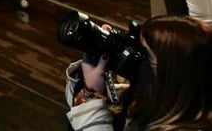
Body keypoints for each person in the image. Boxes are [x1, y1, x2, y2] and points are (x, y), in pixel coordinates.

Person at [64, 15, 212, 130]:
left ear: (172, 73)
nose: (135, 55)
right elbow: (79, 119)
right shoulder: (157, 99)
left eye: (145, 54)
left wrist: (90, 96)